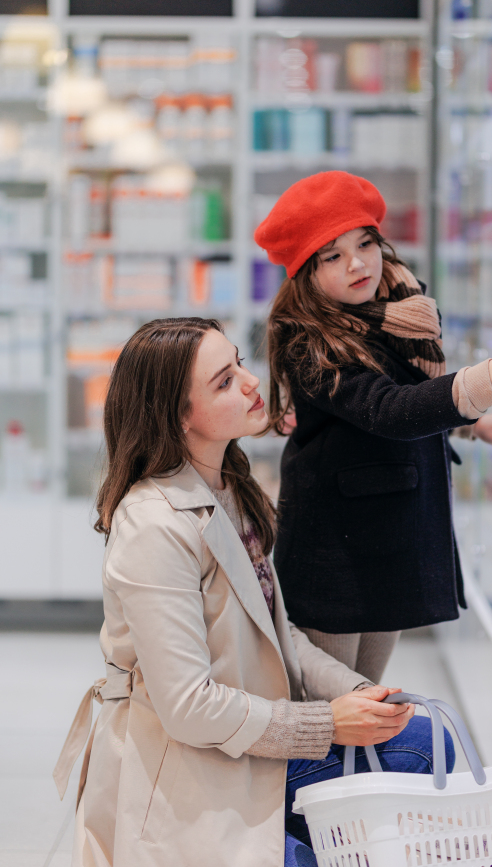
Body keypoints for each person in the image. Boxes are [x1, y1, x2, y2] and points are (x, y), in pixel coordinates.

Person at [53, 317, 455, 867]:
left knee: (426, 742)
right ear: (179, 416)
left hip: (243, 740)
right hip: (191, 759)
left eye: (240, 362)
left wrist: (361, 691)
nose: (250, 382)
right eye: (223, 381)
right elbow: (189, 708)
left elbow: (277, 628)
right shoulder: (153, 524)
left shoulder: (228, 489)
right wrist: (328, 723)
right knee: (414, 756)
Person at [257, 170, 492, 682]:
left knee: (366, 698)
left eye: (365, 242)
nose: (358, 263)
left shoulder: (398, 311)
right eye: (332, 255)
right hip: (336, 551)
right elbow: (388, 410)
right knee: (332, 709)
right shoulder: (306, 340)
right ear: (305, 272)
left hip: (388, 542)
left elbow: (408, 400)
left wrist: (473, 427)